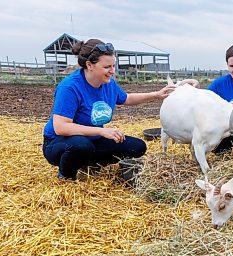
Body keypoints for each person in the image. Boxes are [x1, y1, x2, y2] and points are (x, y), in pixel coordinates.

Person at [42, 38, 175, 180]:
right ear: (89, 65)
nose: (112, 71)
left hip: (92, 139)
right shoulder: (69, 87)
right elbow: (61, 127)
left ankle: (90, 163)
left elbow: (127, 98)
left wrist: (156, 95)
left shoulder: (108, 84)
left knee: (137, 147)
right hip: (59, 142)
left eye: (113, 66)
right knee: (81, 146)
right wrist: (101, 131)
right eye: (107, 67)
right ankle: (66, 176)